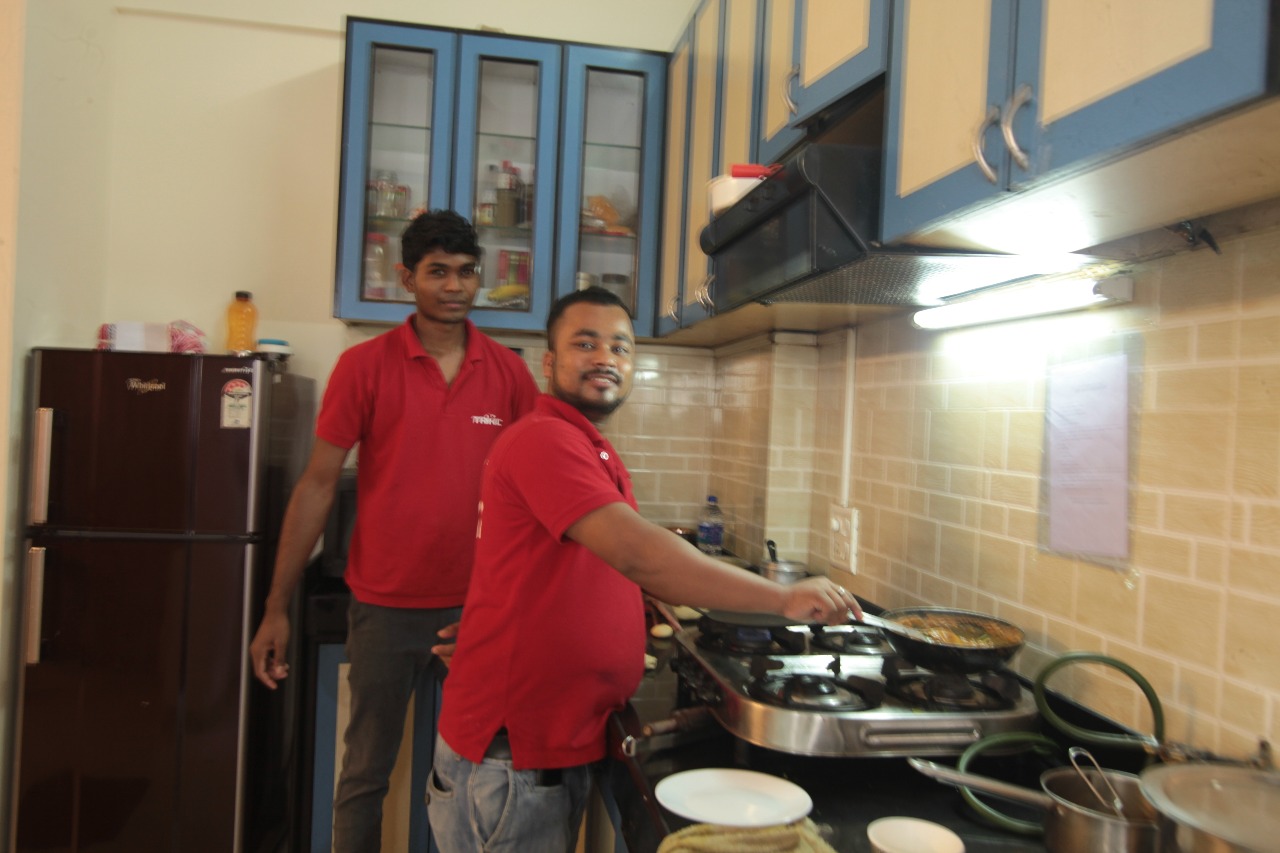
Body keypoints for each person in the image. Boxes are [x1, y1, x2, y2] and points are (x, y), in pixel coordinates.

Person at [427, 286, 862, 853]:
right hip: (514, 761)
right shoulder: (545, 438)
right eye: (586, 343)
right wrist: (781, 599)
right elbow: (637, 552)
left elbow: (574, 565)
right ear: (550, 362)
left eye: (621, 347)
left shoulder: (586, 446)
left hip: (538, 751)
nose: (607, 357)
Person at [248, 209, 540, 852]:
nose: (455, 287)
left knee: (481, 776)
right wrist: (275, 606)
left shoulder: (510, 374)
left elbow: (535, 498)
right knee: (364, 776)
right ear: (407, 278)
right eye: (438, 272)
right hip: (382, 610)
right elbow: (317, 486)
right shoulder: (364, 366)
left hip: (478, 613)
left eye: (466, 272)